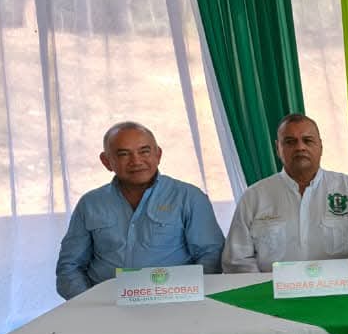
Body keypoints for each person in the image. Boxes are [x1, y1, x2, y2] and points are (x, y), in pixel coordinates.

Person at [55, 121, 225, 298]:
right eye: (123, 154)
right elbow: (69, 266)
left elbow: (211, 255)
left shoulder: (189, 197)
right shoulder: (90, 203)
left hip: (175, 301)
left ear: (158, 155)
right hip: (104, 304)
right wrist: (88, 303)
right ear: (106, 161)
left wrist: (190, 295)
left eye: (144, 151)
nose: (136, 161)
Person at [222, 114, 348, 272]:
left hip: (340, 286)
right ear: (278, 148)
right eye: (290, 142)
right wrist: (265, 285)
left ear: (321, 146)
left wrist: (339, 280)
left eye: (307, 140)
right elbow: (237, 259)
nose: (300, 147)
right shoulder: (254, 196)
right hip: (270, 287)